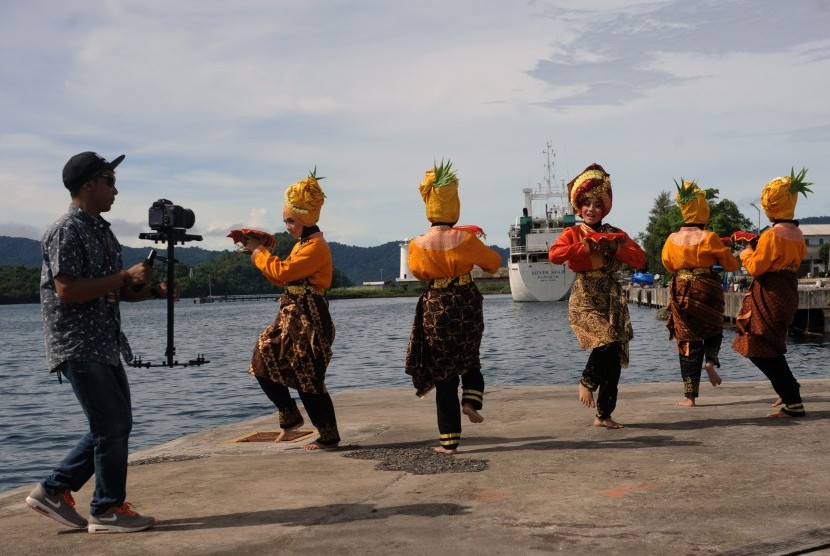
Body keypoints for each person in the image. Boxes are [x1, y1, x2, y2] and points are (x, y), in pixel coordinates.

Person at [26, 151, 171, 534]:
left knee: (115, 424)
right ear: (87, 184)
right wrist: (125, 276)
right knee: (111, 425)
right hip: (78, 344)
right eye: (109, 180)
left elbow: (116, 291)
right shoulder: (66, 230)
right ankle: (106, 510)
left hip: (104, 342)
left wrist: (154, 291)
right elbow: (68, 291)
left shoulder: (101, 230)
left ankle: (54, 491)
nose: (115, 189)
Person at [405, 160, 502, 454]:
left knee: (444, 372)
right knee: (470, 357)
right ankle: (471, 401)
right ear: (454, 206)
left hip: (436, 305)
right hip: (465, 301)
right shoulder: (466, 238)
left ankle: (449, 441)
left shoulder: (417, 244)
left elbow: (417, 273)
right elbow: (494, 264)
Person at [244, 169, 340, 450]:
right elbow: (280, 276)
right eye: (286, 220)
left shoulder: (316, 248)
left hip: (310, 316)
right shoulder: (303, 245)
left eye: (290, 220)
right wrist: (260, 254)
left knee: (308, 375)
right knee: (263, 356)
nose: (287, 226)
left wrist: (260, 253)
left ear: (304, 219)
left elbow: (284, 272)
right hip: (292, 314)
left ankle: (328, 435)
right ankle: (290, 415)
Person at [548, 163, 645, 429]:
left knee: (613, 361)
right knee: (607, 343)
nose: (591, 209)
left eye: (597, 204)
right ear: (579, 207)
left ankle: (603, 415)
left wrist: (614, 248)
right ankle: (586, 381)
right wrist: (584, 246)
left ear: (605, 207)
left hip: (612, 297)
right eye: (587, 204)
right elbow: (555, 256)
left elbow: (639, 258)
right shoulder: (572, 233)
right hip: (586, 297)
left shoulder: (615, 232)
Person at [732, 168, 812, 418]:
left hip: (771, 291)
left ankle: (792, 399)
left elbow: (756, 267)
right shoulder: (796, 232)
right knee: (771, 344)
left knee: (760, 345)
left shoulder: (772, 234)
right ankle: (790, 393)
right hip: (787, 289)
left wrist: (745, 251)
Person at [661, 181, 739, 407]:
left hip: (682, 290)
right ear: (703, 210)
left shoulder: (672, 239)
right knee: (714, 328)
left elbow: (667, 264)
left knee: (687, 341)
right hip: (708, 288)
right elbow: (731, 265)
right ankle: (711, 360)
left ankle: (690, 397)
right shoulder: (709, 237)